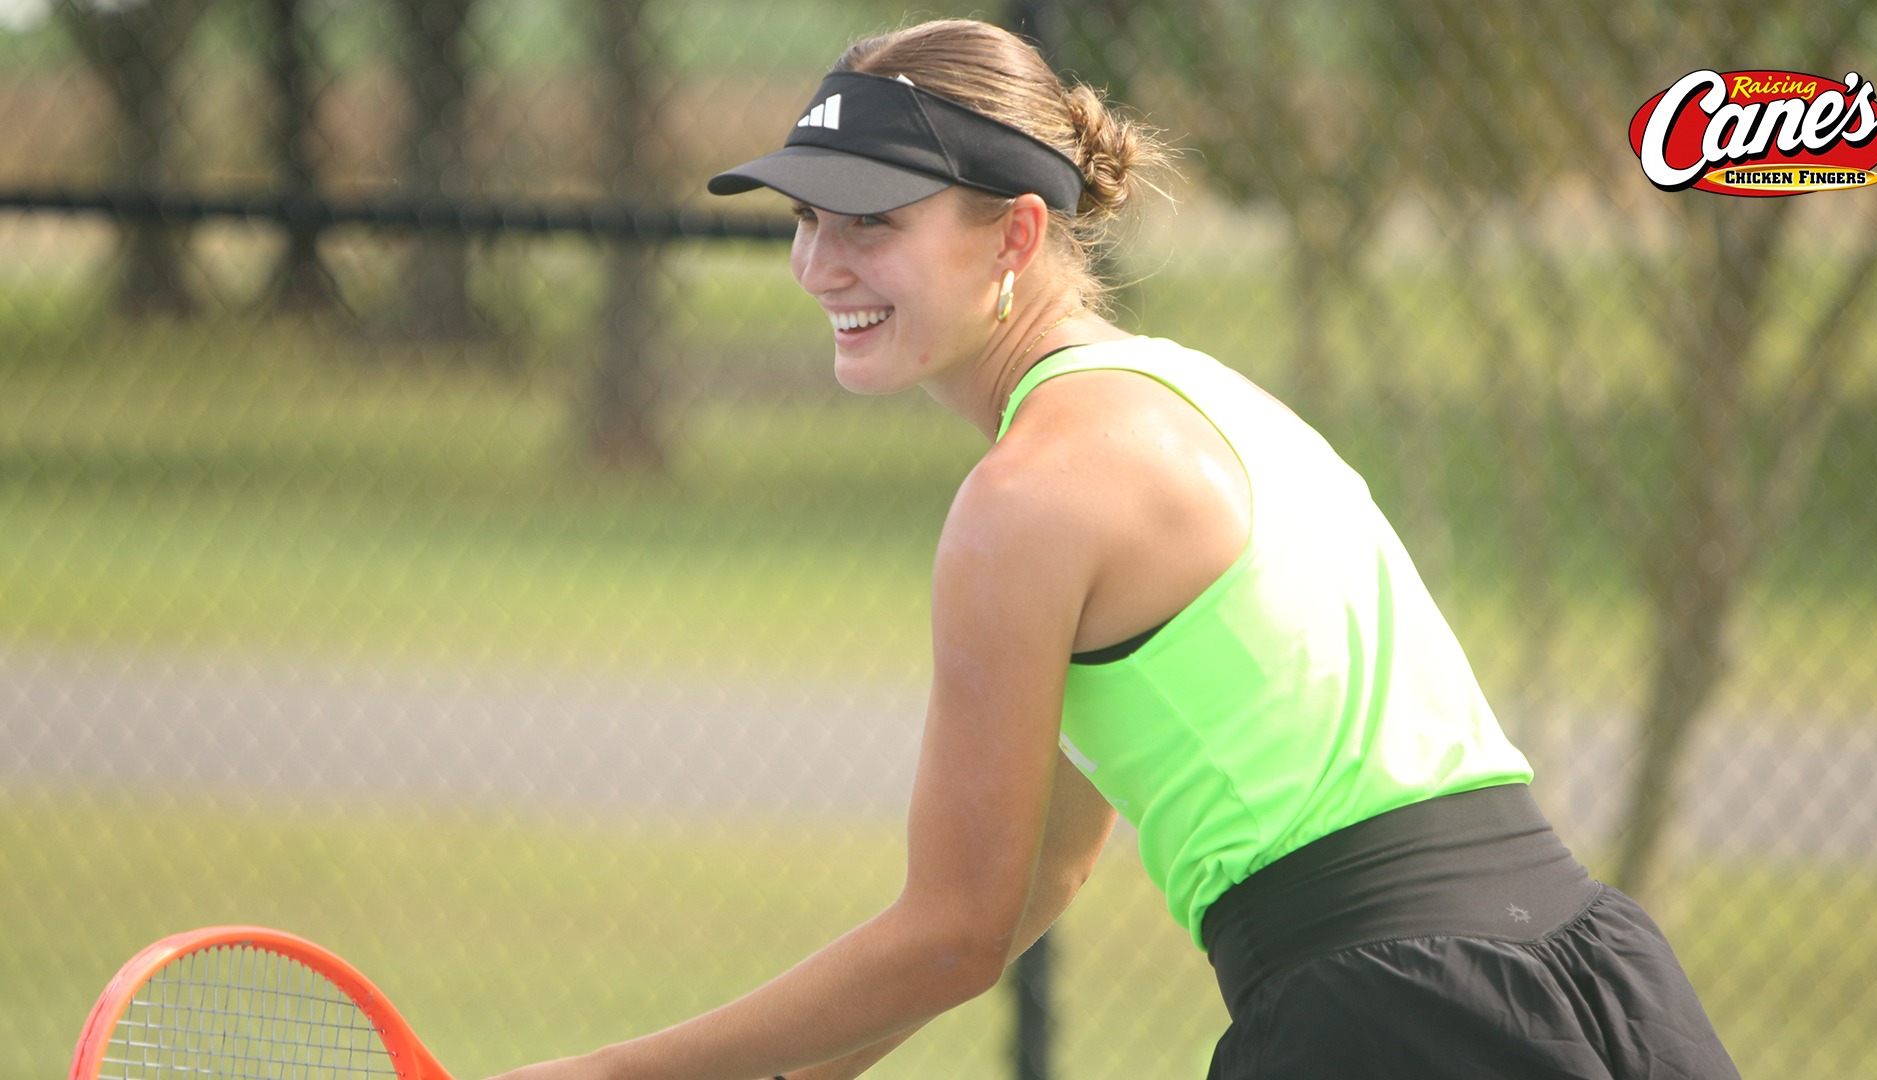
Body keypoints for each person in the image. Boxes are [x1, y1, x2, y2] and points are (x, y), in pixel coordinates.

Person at [493, 17, 1740, 1080]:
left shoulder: (1025, 498)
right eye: (807, 216)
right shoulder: (1199, 397)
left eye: (870, 219)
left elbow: (954, 933)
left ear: (1018, 237)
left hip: (1387, 1020)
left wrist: (605, 1069)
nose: (819, 263)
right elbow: (1040, 870)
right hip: (1601, 978)